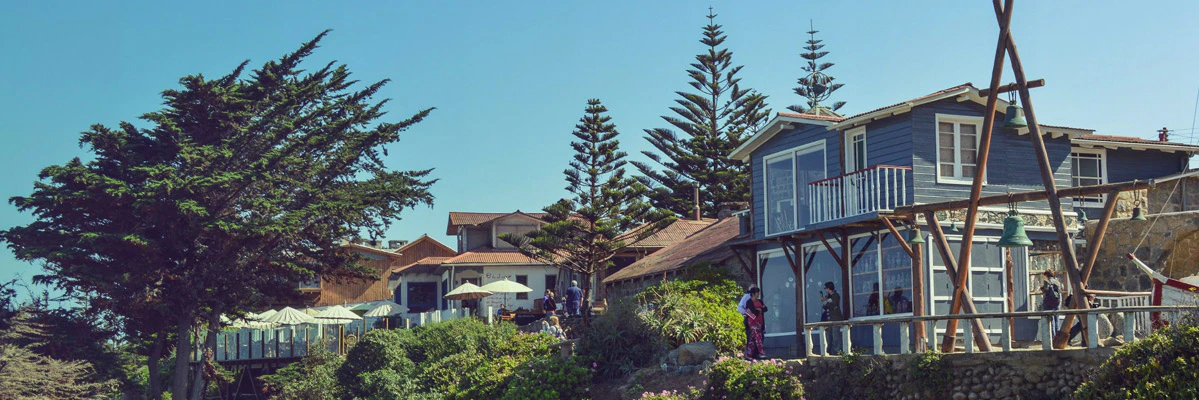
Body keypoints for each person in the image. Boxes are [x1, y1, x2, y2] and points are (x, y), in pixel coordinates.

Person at [819, 282, 845, 354]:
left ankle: (837, 352)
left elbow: (833, 305)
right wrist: (824, 301)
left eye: (826, 288)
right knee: (828, 337)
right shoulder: (828, 296)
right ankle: (828, 352)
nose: (825, 290)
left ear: (828, 288)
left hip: (835, 319)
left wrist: (826, 301)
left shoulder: (835, 295)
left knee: (836, 336)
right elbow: (825, 307)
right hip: (828, 320)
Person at [745, 288, 768, 359]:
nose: (758, 294)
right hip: (752, 322)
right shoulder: (749, 302)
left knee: (752, 339)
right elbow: (751, 311)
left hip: (760, 322)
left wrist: (760, 309)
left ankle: (748, 355)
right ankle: (761, 353)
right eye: (757, 293)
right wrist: (759, 310)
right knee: (758, 337)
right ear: (754, 293)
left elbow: (765, 308)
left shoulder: (760, 301)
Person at [1040, 270, 1063, 335]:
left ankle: (1052, 337)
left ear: (1046, 275)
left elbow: (1046, 291)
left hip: (1048, 302)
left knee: (1050, 320)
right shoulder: (1057, 281)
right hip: (1056, 302)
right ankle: (1057, 338)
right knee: (1057, 320)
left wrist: (1042, 288)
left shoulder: (1046, 281)